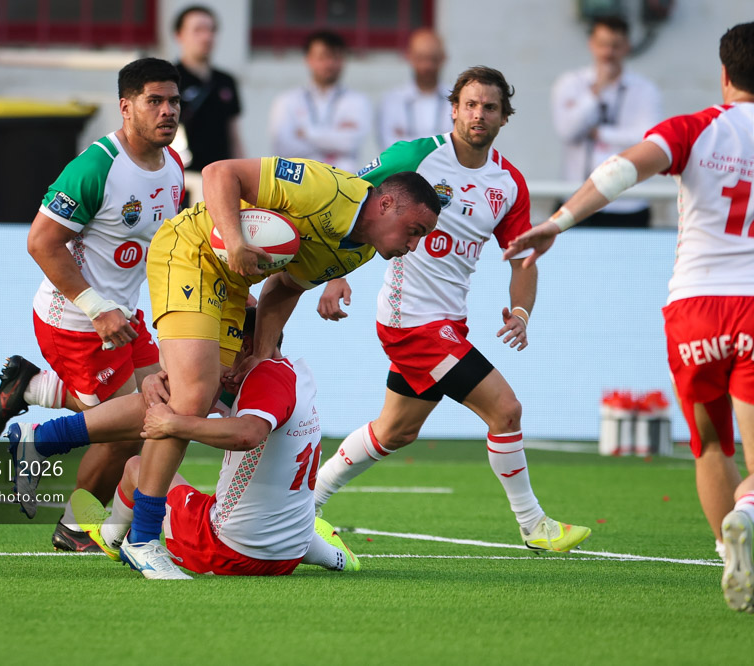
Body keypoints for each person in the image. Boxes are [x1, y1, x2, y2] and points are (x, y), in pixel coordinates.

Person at [6, 155, 441, 579]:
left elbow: (284, 289)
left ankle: (40, 440)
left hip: (232, 281)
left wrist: (261, 352)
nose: (414, 245)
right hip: (190, 251)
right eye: (414, 231)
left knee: (198, 396)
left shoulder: (359, 252)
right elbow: (219, 173)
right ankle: (142, 540)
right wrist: (234, 240)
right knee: (191, 399)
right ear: (386, 205)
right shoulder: (324, 190)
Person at [505, 22, 754, 612]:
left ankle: (730, 556)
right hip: (752, 304)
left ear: (724, 74)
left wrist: (558, 222)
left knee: (710, 445)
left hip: (691, 310)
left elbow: (622, 169)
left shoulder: (697, 128)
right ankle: (746, 515)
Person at [313, 66, 592, 553]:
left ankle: (305, 504)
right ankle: (534, 525)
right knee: (505, 410)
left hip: (446, 322)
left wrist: (521, 312)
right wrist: (334, 273)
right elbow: (348, 201)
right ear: (454, 108)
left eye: (489, 107)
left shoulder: (508, 183)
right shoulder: (416, 156)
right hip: (410, 322)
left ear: (505, 117)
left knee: (396, 430)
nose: (478, 114)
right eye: (470, 104)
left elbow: (524, 259)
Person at [0, 58, 184, 552]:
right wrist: (97, 307)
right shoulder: (97, 167)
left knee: (167, 404)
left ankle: (28, 388)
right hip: (75, 319)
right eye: (154, 101)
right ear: (126, 107)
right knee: (129, 428)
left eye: (174, 101)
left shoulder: (174, 166)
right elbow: (41, 243)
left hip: (124, 317)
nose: (167, 112)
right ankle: (73, 527)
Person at [69, 307, 359, 578]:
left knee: (137, 467)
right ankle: (332, 554)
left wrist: (174, 423)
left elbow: (245, 434)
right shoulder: (295, 376)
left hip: (228, 552)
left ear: (244, 346)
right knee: (266, 505)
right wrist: (152, 380)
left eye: (221, 347)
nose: (212, 356)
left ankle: (112, 537)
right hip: (291, 550)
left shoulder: (263, 379)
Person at [551, 15, 662, 228]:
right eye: (602, 45)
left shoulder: (645, 89)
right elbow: (566, 131)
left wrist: (601, 133)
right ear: (591, 44)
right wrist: (596, 91)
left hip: (628, 203)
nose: (608, 53)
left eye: (616, 46)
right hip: (577, 198)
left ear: (627, 47)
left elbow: (648, 139)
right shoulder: (570, 83)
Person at [269, 31, 372, 173]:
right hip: (298, 183)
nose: (329, 64)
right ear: (308, 59)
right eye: (322, 57)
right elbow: (284, 147)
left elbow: (351, 142)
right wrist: (334, 142)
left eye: (335, 57)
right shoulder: (287, 101)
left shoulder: (357, 101)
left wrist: (306, 133)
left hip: (343, 183)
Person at [172, 5, 243, 175]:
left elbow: (233, 134)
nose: (206, 37)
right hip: (183, 176)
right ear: (179, 35)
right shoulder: (169, 79)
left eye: (211, 30)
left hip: (221, 176)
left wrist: (242, 172)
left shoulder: (225, 81)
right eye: (198, 30)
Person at [377, 28, 453, 150]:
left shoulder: (457, 100)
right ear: (409, 57)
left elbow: (458, 147)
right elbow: (391, 148)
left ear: (443, 58)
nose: (427, 65)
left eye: (433, 59)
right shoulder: (391, 100)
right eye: (421, 58)